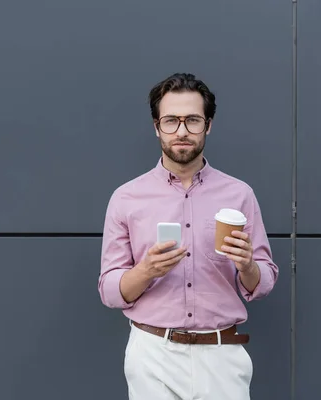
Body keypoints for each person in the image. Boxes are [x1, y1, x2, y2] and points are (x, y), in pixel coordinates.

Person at [98, 72, 279, 400]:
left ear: (208, 125)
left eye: (193, 120)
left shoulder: (239, 195)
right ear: (157, 127)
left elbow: (264, 282)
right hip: (152, 353)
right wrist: (146, 270)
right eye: (171, 121)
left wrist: (248, 265)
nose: (181, 131)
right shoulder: (126, 198)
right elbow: (110, 291)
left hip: (222, 356)